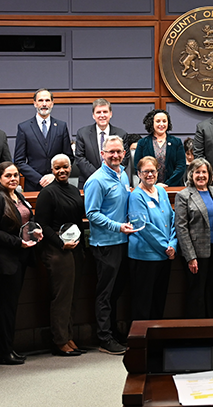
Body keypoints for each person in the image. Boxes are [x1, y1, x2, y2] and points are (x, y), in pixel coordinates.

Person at [84, 135, 136, 354]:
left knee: (116, 292)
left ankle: (113, 331)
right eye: (110, 152)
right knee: (105, 293)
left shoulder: (122, 174)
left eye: (119, 152)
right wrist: (117, 226)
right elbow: (92, 214)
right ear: (102, 154)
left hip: (123, 242)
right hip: (105, 244)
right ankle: (104, 338)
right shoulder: (96, 180)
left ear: (124, 154)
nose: (115, 155)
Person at [0, 162, 37, 365]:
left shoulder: (18, 195)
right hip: (5, 261)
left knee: (12, 307)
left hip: (20, 259)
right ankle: (3, 353)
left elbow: (25, 221)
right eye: (8, 176)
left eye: (15, 175)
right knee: (6, 308)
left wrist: (34, 230)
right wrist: (17, 242)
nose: (13, 178)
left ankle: (8, 348)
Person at [34, 155, 86, 356]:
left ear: (71, 168)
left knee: (73, 296)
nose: (62, 171)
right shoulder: (47, 193)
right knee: (61, 297)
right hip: (56, 250)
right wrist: (61, 243)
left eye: (65, 167)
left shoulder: (73, 190)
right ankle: (59, 340)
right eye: (57, 168)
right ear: (52, 170)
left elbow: (78, 219)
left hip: (75, 247)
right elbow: (42, 225)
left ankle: (69, 335)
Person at [175, 158, 213, 317]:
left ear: (209, 175)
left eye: (204, 172)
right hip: (196, 253)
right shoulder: (183, 195)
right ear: (191, 174)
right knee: (196, 294)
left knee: (211, 292)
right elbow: (181, 228)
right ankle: (195, 334)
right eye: (197, 172)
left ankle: (210, 329)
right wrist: (190, 257)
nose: (201, 176)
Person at [128, 156, 178, 320]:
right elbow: (144, 227)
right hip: (144, 256)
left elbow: (172, 218)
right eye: (146, 171)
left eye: (153, 171)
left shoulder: (162, 191)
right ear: (139, 174)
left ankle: (156, 341)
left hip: (165, 255)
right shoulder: (136, 196)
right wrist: (166, 247)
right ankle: (142, 342)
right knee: (143, 303)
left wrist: (173, 244)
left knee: (159, 301)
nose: (150, 174)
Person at [14, 89, 73, 191]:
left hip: (58, 183)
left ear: (52, 103)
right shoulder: (24, 127)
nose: (44, 104)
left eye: (47, 100)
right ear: (35, 104)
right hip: (34, 185)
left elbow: (68, 157)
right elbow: (19, 161)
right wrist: (40, 179)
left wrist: (54, 175)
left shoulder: (61, 126)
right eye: (40, 100)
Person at [75, 98, 131, 185]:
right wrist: (99, 176)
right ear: (93, 115)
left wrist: (109, 175)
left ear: (110, 114)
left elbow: (124, 158)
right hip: (89, 181)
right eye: (98, 112)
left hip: (114, 181)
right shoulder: (82, 133)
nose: (102, 115)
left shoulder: (121, 134)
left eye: (105, 112)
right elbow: (80, 158)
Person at [134, 109, 185, 186]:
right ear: (152, 123)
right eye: (158, 121)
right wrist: (153, 184)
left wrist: (167, 184)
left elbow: (181, 167)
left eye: (164, 121)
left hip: (172, 187)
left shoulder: (176, 142)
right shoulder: (143, 143)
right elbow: (137, 166)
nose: (161, 124)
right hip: (148, 186)